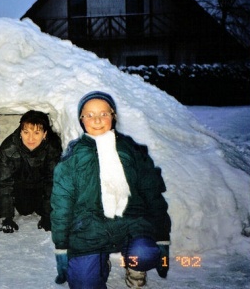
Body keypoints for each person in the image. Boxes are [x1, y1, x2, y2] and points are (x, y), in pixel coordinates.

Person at [50, 91, 171, 288]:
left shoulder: (132, 151)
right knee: (84, 283)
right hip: (90, 229)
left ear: (113, 116)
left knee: (145, 254)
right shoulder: (71, 160)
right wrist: (61, 247)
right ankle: (99, 264)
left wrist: (162, 239)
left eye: (104, 113)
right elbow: (61, 207)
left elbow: (153, 195)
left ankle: (134, 268)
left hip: (131, 223)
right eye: (89, 115)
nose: (97, 119)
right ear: (81, 120)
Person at [0, 110, 62, 233]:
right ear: (20, 132)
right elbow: (3, 183)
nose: (31, 138)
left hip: (42, 188)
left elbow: (53, 181)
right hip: (21, 188)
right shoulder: (8, 149)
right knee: (25, 210)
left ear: (45, 134)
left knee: (46, 210)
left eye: (36, 133)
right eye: (26, 132)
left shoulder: (53, 148)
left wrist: (48, 215)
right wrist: (6, 218)